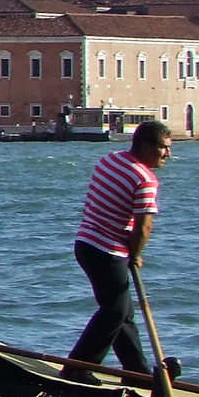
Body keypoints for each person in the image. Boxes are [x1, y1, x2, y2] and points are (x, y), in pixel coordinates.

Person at [69, 117, 173, 375]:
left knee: (122, 313)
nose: (168, 154)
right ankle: (78, 368)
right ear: (146, 147)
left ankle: (137, 372)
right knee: (114, 312)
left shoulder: (110, 159)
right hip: (106, 251)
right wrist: (136, 255)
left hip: (85, 245)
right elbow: (143, 227)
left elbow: (108, 203)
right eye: (163, 147)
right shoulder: (145, 180)